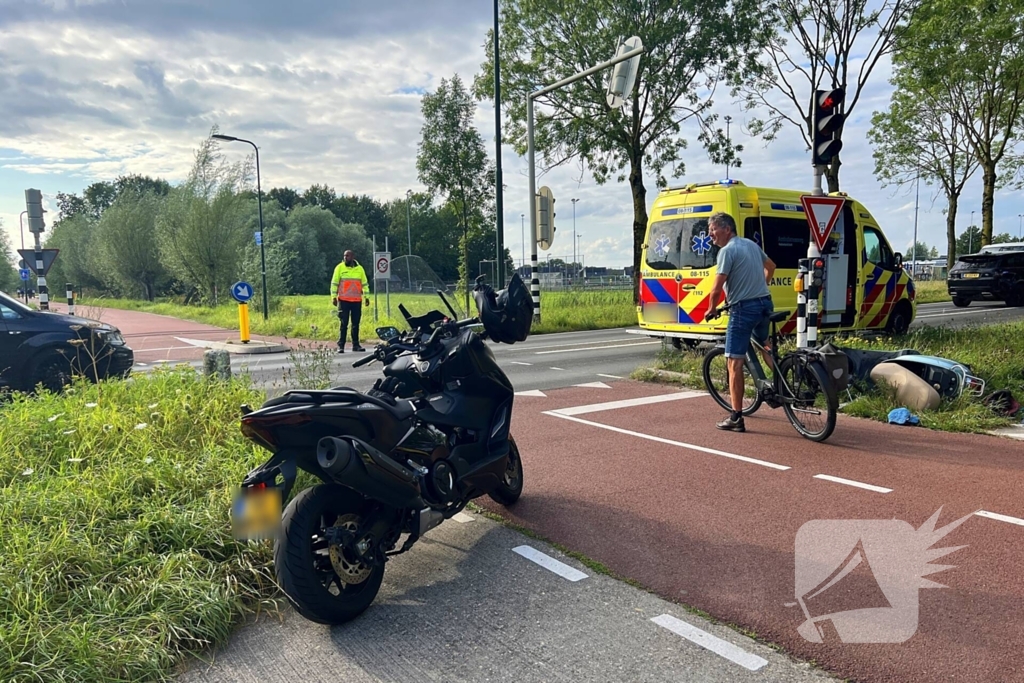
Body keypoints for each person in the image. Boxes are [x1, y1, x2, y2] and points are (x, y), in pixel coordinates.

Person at [705, 212, 776, 433]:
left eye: (713, 230)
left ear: (727, 229)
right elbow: (771, 266)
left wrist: (711, 309)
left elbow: (716, 289)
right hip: (765, 304)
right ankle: (783, 383)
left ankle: (736, 417)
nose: (710, 235)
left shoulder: (727, 251)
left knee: (734, 364)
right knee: (764, 344)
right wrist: (761, 288)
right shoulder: (750, 245)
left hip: (744, 309)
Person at [330, 250, 370, 353]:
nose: (345, 257)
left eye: (347, 256)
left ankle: (356, 345)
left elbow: (365, 284)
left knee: (355, 324)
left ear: (352, 257)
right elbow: (334, 283)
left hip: (356, 301)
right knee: (344, 323)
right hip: (343, 301)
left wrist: (367, 297)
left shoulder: (360, 269)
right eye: (344, 256)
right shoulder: (339, 268)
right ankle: (341, 345)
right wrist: (333, 297)